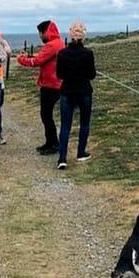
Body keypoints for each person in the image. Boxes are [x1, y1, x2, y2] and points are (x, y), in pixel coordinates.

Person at [18, 20, 64, 155]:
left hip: (51, 84)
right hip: (55, 83)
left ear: (45, 32)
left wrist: (21, 59)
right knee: (47, 115)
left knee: (46, 115)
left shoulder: (52, 45)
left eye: (40, 33)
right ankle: (51, 142)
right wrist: (30, 57)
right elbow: (43, 58)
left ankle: (53, 143)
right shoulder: (58, 43)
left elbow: (38, 61)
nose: (39, 36)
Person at [55, 21, 95, 170]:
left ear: (70, 34)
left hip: (67, 91)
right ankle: (81, 152)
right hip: (84, 91)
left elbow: (59, 74)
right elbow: (92, 75)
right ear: (84, 35)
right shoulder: (88, 53)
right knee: (84, 123)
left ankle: (62, 158)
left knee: (66, 125)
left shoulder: (62, 53)